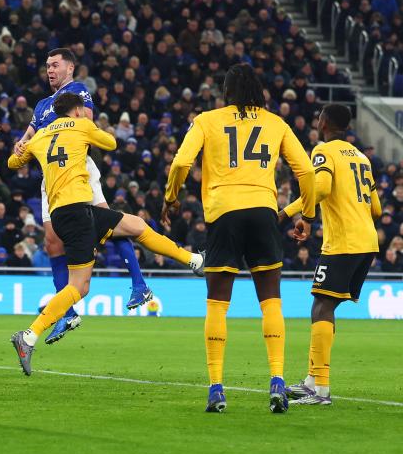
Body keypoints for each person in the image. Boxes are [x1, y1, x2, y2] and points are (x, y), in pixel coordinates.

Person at [8, 92, 203, 375]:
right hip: (78, 212)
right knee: (79, 287)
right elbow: (111, 143)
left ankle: (194, 261)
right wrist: (95, 129)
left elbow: (13, 164)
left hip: (65, 213)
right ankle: (28, 337)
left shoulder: (40, 136)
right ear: (76, 111)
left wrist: (19, 148)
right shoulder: (82, 125)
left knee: (135, 225)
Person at [161, 63, 316, 413]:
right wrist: (307, 213)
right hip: (263, 211)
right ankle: (277, 380)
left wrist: (171, 196)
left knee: (217, 302)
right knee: (271, 301)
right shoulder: (276, 123)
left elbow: (181, 163)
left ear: (225, 92)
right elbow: (306, 170)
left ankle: (217, 388)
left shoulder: (207, 120)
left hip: (223, 213)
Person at [13, 48, 153, 345]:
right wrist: (21, 145)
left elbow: (85, 125)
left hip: (77, 168)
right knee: (52, 243)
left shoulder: (78, 92)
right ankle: (67, 312)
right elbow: (27, 138)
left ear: (70, 68)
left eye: (55, 65)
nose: (49, 70)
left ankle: (139, 283)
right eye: (47, 66)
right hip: (51, 177)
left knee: (112, 223)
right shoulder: (40, 105)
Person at [280, 104, 382, 406]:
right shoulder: (361, 157)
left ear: (325, 122)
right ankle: (313, 378)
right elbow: (376, 209)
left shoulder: (323, 150)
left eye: (318, 117)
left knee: (321, 307)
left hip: (343, 243)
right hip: (367, 242)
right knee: (326, 305)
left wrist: (289, 214)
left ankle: (320, 389)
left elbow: (321, 187)